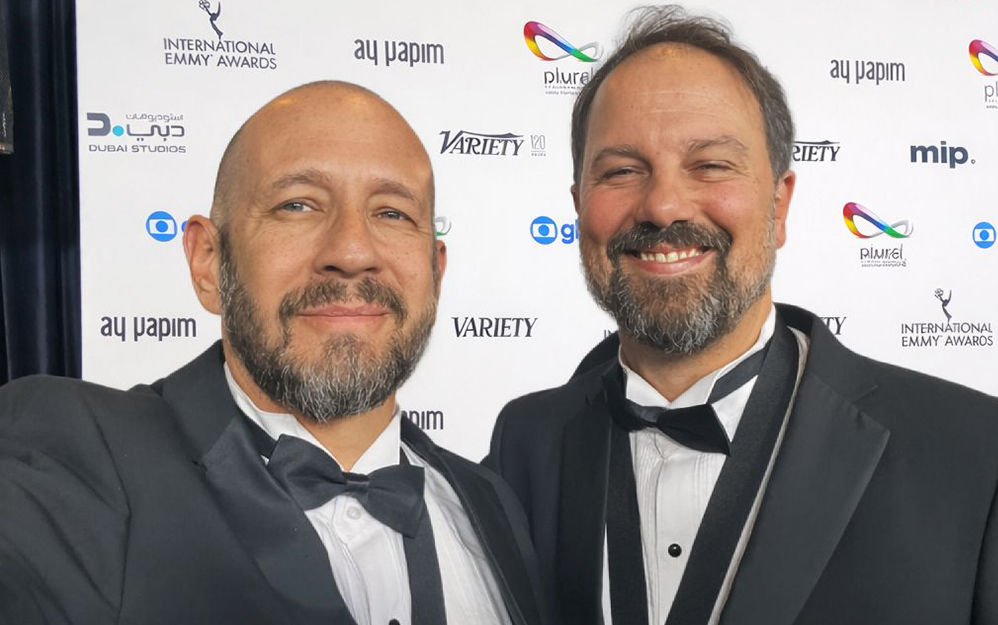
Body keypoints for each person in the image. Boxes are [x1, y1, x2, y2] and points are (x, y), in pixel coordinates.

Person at [485, 6, 998, 624]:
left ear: (779, 205)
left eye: (710, 165)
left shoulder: (975, 451)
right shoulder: (524, 443)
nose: (663, 204)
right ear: (578, 206)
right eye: (622, 171)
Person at [0, 81, 548, 625]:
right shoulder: (71, 455)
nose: (353, 252)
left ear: (435, 271)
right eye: (298, 205)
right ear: (209, 262)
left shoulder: (493, 503)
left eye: (392, 213)